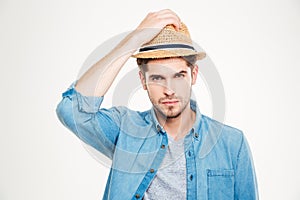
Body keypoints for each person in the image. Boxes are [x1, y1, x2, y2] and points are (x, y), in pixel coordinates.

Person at [56, 9, 258, 200]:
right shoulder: (125, 129)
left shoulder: (232, 143)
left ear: (193, 75)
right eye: (157, 78)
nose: (169, 89)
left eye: (178, 76)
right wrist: (134, 39)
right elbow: (71, 110)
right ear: (143, 81)